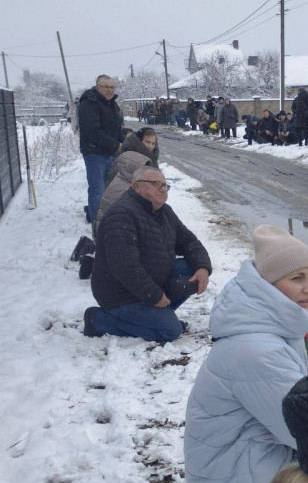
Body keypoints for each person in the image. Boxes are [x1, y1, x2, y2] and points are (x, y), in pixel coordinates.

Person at [184, 226, 308, 483]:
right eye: (296, 278)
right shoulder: (257, 350)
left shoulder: (268, 324)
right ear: (269, 285)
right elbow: (304, 433)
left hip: (236, 466)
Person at [83, 168, 212, 342]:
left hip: (149, 281)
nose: (162, 189)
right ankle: (98, 320)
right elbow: (125, 266)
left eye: (165, 185)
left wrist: (203, 267)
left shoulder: (165, 212)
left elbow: (189, 241)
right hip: (119, 294)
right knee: (170, 331)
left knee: (191, 267)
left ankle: (155, 317)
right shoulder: (121, 215)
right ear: (137, 186)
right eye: (156, 184)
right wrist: (155, 296)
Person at [78, 75, 124, 225]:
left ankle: (100, 215)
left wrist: (123, 141)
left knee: (108, 187)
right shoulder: (89, 104)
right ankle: (97, 223)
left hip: (109, 152)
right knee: (97, 189)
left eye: (112, 87)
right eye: (106, 87)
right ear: (98, 88)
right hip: (94, 153)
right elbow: (93, 131)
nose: (110, 90)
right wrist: (116, 145)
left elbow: (116, 127)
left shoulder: (112, 104)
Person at [92, 151, 153, 237]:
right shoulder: (122, 189)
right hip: (110, 235)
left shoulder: (128, 183)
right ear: (133, 169)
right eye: (143, 170)